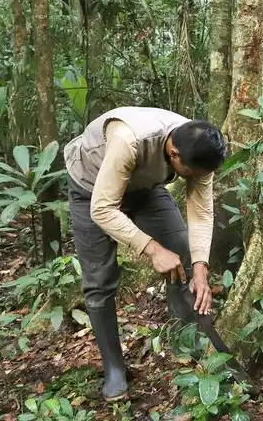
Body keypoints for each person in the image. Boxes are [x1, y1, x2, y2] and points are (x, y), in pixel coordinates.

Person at [64, 107, 227, 400]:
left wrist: (201, 266)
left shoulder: (199, 150)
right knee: (99, 281)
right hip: (91, 190)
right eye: (191, 174)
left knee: (183, 248)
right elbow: (102, 209)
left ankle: (186, 347)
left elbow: (201, 212)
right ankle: (115, 370)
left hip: (144, 190)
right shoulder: (130, 140)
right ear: (174, 153)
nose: (197, 178)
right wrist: (152, 250)